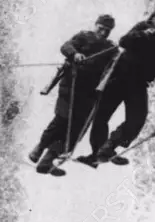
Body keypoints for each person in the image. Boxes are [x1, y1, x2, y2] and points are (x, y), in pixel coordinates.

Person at [78, 0, 155, 168]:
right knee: (101, 115)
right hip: (119, 78)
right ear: (154, 18)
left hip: (138, 84)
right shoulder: (143, 27)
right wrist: (142, 35)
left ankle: (110, 146)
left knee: (137, 119)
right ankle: (96, 154)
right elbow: (124, 41)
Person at [28, 14, 117, 174]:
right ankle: (39, 148)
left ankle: (47, 161)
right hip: (70, 86)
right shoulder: (83, 36)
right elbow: (66, 46)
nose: (103, 33)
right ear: (95, 25)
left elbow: (116, 64)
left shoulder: (111, 48)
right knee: (61, 121)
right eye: (101, 28)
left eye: (107, 31)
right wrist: (75, 54)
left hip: (88, 93)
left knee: (75, 131)